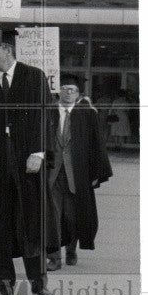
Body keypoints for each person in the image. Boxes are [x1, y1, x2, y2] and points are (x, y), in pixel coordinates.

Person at [0, 28, 53, 295]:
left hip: (26, 164)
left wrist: (39, 152)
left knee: (30, 224)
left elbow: (45, 114)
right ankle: (2, 283)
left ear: (7, 50)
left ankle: (39, 284)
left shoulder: (33, 76)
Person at [46, 73, 113, 270]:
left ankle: (71, 249)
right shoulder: (48, 111)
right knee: (52, 215)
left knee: (72, 216)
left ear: (78, 93)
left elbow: (97, 144)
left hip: (77, 173)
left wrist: (96, 173)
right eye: (65, 89)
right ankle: (54, 257)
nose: (68, 92)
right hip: (52, 173)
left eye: (72, 90)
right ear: (59, 91)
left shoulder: (88, 114)